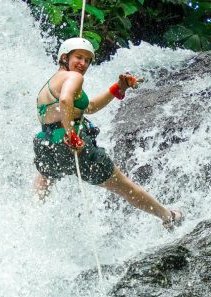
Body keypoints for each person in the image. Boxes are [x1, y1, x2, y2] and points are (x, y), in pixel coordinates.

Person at [33, 37, 184, 229]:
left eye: (87, 60)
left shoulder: (47, 87)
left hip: (46, 146)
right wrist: (72, 135)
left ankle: (31, 221)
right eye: (79, 57)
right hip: (72, 146)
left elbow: (90, 107)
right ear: (64, 57)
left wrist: (118, 88)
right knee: (124, 187)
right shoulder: (74, 78)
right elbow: (65, 101)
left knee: (44, 179)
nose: (83, 64)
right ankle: (168, 216)